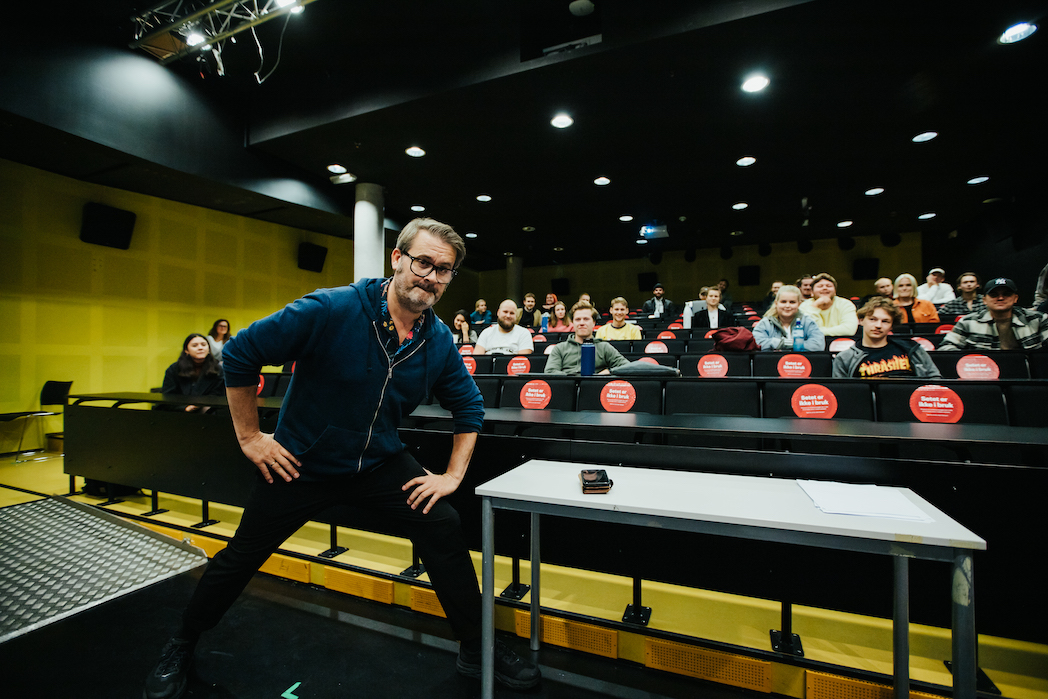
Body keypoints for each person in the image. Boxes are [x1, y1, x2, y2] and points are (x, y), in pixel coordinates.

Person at [142, 218, 540, 699]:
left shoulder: (436, 340)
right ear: (397, 259)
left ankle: (477, 649)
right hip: (300, 463)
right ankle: (182, 642)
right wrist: (250, 438)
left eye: (443, 270)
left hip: (378, 464)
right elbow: (242, 354)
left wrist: (453, 475)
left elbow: (469, 407)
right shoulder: (331, 308)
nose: (430, 277)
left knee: (444, 524)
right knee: (239, 558)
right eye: (422, 262)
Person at [833, 297, 941, 378]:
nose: (878, 325)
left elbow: (935, 379)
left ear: (891, 326)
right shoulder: (845, 358)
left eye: (885, 321)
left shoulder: (912, 349)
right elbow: (844, 394)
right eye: (873, 319)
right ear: (861, 321)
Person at [939, 277, 1048, 351]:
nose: (1000, 298)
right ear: (984, 300)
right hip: (983, 375)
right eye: (994, 294)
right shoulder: (968, 322)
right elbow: (946, 347)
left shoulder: (1038, 319)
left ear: (1015, 298)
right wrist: (968, 359)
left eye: (1007, 294)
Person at [545, 303, 630, 375]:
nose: (582, 323)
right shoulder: (560, 348)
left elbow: (628, 367)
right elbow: (550, 372)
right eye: (578, 319)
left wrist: (609, 371)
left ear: (593, 323)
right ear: (573, 323)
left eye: (586, 319)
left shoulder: (604, 347)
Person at [161, 333, 225, 412]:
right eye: (195, 345)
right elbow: (168, 395)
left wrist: (199, 404)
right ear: (186, 350)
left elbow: (217, 395)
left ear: (209, 349)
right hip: (178, 411)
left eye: (203, 345)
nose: (200, 348)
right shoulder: (174, 369)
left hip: (208, 411)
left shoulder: (217, 369)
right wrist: (185, 408)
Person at [752, 285, 824, 351]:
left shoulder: (808, 321)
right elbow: (757, 343)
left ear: (799, 304)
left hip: (801, 363)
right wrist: (788, 343)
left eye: (792, 302)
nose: (787, 306)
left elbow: (818, 345)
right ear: (776, 303)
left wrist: (778, 344)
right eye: (783, 302)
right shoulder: (765, 323)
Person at [799, 273, 858, 337]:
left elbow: (849, 330)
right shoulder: (804, 306)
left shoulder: (846, 304)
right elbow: (805, 330)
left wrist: (816, 332)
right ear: (812, 293)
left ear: (835, 292)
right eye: (820, 286)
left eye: (829, 286)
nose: (824, 288)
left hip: (840, 343)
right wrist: (814, 306)